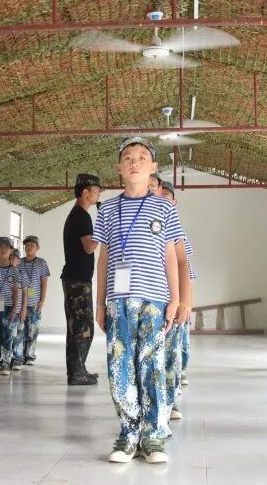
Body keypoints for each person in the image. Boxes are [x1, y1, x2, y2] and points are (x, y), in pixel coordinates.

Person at [94, 137, 183, 464]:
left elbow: (171, 256)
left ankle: (154, 437)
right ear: (119, 168)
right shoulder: (108, 209)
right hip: (118, 301)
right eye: (128, 158)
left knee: (153, 367)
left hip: (155, 300)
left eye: (143, 157)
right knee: (120, 367)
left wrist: (175, 300)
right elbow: (103, 258)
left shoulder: (165, 208)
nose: (135, 162)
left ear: (153, 168)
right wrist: (99, 302)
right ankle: (128, 435)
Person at [157, 180, 194, 421]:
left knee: (172, 354)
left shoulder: (178, 232)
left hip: (172, 301)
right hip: (152, 299)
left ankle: (169, 401)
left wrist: (184, 303)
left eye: (166, 197)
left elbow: (185, 269)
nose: (161, 199)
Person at [62, 173, 102, 385]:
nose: (98, 194)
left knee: (77, 326)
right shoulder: (81, 216)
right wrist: (103, 229)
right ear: (85, 192)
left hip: (76, 278)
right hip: (77, 280)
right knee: (82, 327)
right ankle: (77, 373)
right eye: (96, 191)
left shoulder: (78, 215)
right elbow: (88, 247)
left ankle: (78, 370)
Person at [20, 235, 50, 366]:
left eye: (32, 245)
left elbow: (44, 281)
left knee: (33, 329)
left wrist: (42, 300)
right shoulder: (19, 262)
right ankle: (20, 355)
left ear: (37, 247)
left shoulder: (41, 262)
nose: (29, 247)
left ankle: (30, 355)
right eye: (27, 245)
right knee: (20, 330)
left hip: (35, 303)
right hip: (21, 303)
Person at [0, 237, 21, 375]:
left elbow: (16, 290)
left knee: (8, 334)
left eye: (6, 247)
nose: (3, 249)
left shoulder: (14, 270)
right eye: (0, 247)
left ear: (11, 250)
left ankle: (5, 363)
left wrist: (15, 308)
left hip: (9, 306)